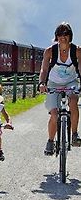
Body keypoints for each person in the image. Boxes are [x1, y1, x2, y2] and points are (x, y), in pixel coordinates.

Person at [38, 22, 81, 155]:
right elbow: (44, 70)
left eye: (66, 33)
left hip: (70, 82)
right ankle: (50, 141)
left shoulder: (77, 51)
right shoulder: (50, 51)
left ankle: (74, 135)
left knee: (73, 102)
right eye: (60, 34)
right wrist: (41, 83)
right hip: (54, 83)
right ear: (56, 36)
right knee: (54, 114)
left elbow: (80, 69)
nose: (63, 36)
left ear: (70, 36)